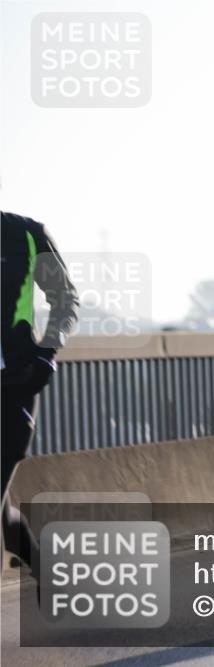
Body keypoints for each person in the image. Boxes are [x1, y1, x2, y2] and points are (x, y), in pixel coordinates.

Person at [1, 211, 79, 574]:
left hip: (12, 388)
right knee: (3, 512)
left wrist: (48, 353)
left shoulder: (26, 234)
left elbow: (64, 299)